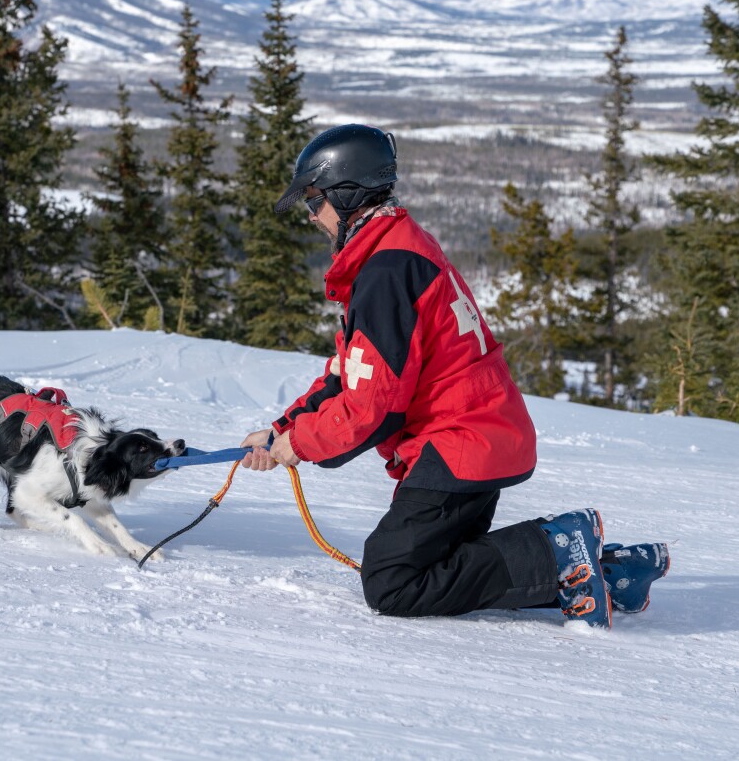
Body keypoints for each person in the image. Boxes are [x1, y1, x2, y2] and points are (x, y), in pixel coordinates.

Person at [240, 124, 670, 627]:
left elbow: (372, 409)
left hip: (459, 444)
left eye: (315, 201)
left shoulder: (386, 272)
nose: (312, 216)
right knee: (437, 568)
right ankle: (607, 572)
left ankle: (559, 550)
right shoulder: (390, 250)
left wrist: (304, 443)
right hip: (473, 439)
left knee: (393, 580)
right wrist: (281, 430)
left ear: (348, 194)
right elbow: (346, 375)